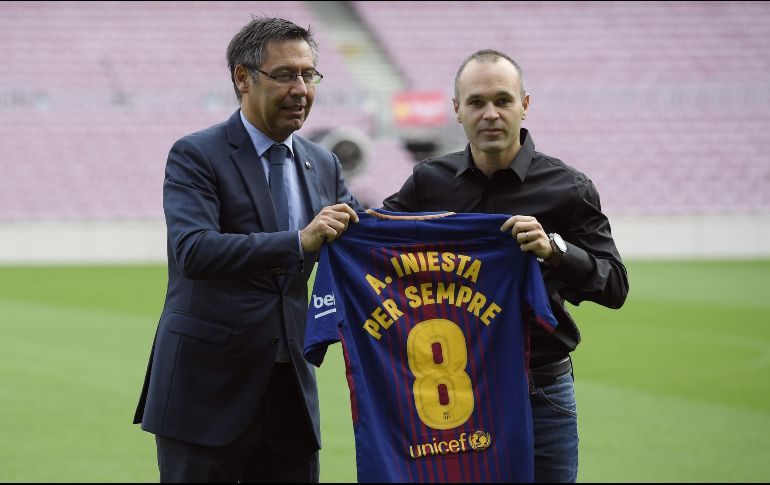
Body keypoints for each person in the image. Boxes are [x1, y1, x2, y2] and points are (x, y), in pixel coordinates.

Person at [383, 49, 629, 483]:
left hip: (541, 393)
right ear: (457, 110)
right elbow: (376, 240)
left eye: (503, 100)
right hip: (456, 395)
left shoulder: (568, 188)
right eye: (476, 102)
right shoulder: (427, 184)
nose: (490, 114)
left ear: (525, 105)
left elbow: (615, 288)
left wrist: (555, 250)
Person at [133, 16, 361, 483]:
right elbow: (194, 250)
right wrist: (299, 241)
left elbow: (364, 237)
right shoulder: (196, 154)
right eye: (285, 75)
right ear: (243, 78)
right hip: (206, 393)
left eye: (308, 74)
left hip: (290, 392)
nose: (300, 89)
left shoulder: (323, 162)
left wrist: (458, 231)